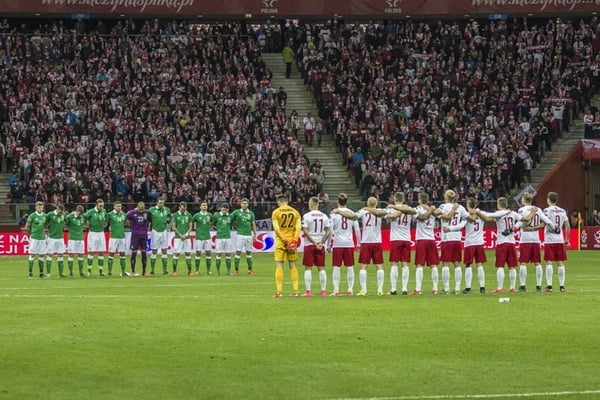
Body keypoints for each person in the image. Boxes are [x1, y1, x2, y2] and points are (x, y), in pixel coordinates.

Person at [476, 197, 537, 293]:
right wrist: (533, 211)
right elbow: (526, 219)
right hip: (512, 242)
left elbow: (487, 218)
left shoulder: (498, 214)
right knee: (512, 266)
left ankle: (500, 288)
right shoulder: (513, 213)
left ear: (499, 204)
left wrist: (478, 212)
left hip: (502, 242)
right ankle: (512, 287)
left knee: (500, 266)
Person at [445, 197, 487, 294]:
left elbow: (460, 226)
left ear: (468, 205)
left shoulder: (467, 215)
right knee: (479, 264)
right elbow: (489, 217)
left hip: (470, 243)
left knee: (468, 265)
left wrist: (450, 229)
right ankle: (482, 287)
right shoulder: (481, 214)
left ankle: (468, 288)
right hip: (480, 242)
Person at [515, 192, 556, 292]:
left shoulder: (522, 210)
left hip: (525, 239)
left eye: (522, 199)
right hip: (536, 239)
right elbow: (546, 220)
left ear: (524, 200)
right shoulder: (538, 210)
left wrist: (515, 227)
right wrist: (553, 226)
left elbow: (520, 222)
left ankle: (523, 285)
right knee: (537, 263)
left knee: (523, 262)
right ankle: (538, 286)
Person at [354, 197, 389, 296]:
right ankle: (380, 290)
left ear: (367, 203)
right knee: (379, 265)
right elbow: (387, 215)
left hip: (366, 241)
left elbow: (354, 216)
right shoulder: (380, 211)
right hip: (377, 241)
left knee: (363, 266)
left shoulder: (363, 211)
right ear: (376, 203)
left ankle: (364, 290)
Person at [329, 193, 361, 296]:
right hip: (349, 243)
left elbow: (330, 230)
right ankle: (350, 289)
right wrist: (359, 243)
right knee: (350, 266)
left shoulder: (334, 214)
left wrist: (329, 244)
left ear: (337, 201)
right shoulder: (352, 213)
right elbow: (357, 229)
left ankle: (336, 290)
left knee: (336, 267)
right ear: (347, 201)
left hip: (338, 243)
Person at [437, 190, 469, 294]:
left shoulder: (443, 206)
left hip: (447, 238)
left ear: (446, 197)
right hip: (457, 238)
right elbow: (467, 218)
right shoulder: (461, 208)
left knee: (445, 263)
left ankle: (446, 288)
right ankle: (457, 288)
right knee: (457, 263)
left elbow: (439, 215)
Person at [385, 192, 417, 295]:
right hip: (407, 239)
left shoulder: (391, 209)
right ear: (403, 199)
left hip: (395, 239)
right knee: (405, 264)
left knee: (394, 263)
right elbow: (414, 217)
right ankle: (404, 289)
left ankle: (393, 289)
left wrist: (393, 208)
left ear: (395, 199)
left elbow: (388, 218)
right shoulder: (408, 208)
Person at [271, 194, 302, 298]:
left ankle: (279, 292)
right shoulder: (295, 212)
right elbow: (298, 228)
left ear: (279, 202)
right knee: (293, 265)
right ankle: (296, 291)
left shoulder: (276, 212)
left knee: (279, 265)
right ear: (287, 201)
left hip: (281, 241)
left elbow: (276, 228)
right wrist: (294, 241)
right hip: (292, 242)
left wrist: (284, 240)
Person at [301, 196, 331, 297]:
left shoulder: (306, 216)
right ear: (318, 204)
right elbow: (328, 231)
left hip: (310, 244)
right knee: (321, 268)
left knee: (308, 268)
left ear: (311, 204)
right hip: (320, 245)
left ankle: (308, 291)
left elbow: (305, 231)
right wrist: (321, 242)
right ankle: (323, 291)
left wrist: (314, 242)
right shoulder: (324, 216)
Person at [412, 192, 440, 295]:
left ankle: (418, 289)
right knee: (433, 265)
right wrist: (431, 209)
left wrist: (429, 209)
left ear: (420, 200)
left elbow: (422, 218)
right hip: (431, 239)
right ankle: (435, 289)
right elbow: (437, 213)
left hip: (422, 239)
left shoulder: (418, 209)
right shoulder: (433, 210)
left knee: (420, 264)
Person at [543, 192, 570, 292]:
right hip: (560, 239)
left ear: (548, 199)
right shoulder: (562, 211)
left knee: (549, 261)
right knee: (560, 262)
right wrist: (567, 239)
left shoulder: (546, 210)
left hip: (549, 239)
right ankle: (562, 286)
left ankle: (549, 286)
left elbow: (544, 222)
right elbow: (567, 225)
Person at [231, 198, 257, 275]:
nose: (244, 205)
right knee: (238, 252)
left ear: (248, 204)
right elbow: (230, 219)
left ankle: (250, 270)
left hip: (249, 235)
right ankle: (236, 270)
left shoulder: (251, 213)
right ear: (240, 204)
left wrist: (255, 234)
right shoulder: (236, 212)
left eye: (245, 203)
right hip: (240, 235)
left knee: (249, 252)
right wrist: (234, 225)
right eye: (243, 203)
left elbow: (253, 224)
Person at [84, 199, 107, 277]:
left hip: (101, 233)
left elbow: (106, 219)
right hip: (93, 233)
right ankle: (89, 272)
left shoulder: (104, 211)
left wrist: (105, 224)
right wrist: (87, 223)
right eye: (100, 206)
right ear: (96, 204)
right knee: (91, 252)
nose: (101, 207)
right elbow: (83, 217)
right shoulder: (91, 212)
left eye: (102, 206)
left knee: (101, 252)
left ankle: (100, 271)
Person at [148, 198, 171, 275]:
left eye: (162, 203)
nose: (161, 204)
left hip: (164, 231)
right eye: (160, 203)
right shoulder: (151, 210)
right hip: (155, 231)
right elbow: (148, 219)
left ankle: (165, 270)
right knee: (154, 251)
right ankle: (152, 270)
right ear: (157, 203)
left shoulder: (167, 209)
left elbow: (169, 218)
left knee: (164, 250)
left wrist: (168, 221)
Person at [25, 201, 48, 279]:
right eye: (38, 207)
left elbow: (48, 224)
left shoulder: (45, 216)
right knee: (32, 254)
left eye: (41, 207)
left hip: (42, 238)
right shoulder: (32, 216)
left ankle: (41, 273)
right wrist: (31, 234)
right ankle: (30, 273)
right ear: (35, 207)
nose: (40, 208)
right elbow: (27, 226)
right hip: (34, 238)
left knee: (41, 255)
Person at [127, 201, 150, 277]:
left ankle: (144, 271)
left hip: (144, 235)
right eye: (140, 208)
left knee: (144, 253)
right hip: (135, 235)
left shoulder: (146, 213)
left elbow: (148, 220)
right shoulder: (133, 213)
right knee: (134, 253)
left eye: (142, 208)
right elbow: (128, 215)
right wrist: (135, 210)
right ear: (137, 207)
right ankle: (133, 271)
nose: (141, 210)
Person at [171, 201, 193, 276]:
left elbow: (190, 227)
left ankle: (190, 271)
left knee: (188, 253)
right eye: (182, 208)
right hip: (178, 238)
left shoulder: (189, 215)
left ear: (186, 207)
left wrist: (186, 234)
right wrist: (180, 235)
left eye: (184, 208)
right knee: (176, 253)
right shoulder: (175, 215)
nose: (183, 210)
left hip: (187, 238)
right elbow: (173, 227)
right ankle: (174, 271)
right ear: (179, 207)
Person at [192, 200, 214, 275]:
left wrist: (209, 226)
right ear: (200, 207)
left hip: (207, 236)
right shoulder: (196, 215)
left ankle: (208, 270)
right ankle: (197, 270)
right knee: (198, 253)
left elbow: (212, 222)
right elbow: (192, 222)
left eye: (206, 205)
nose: (205, 206)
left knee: (208, 253)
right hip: (199, 236)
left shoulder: (210, 215)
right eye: (203, 205)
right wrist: (195, 228)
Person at [107, 201, 128, 277]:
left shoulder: (124, 215)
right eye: (118, 206)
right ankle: (109, 272)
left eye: (120, 206)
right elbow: (105, 222)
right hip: (113, 237)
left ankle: (123, 271)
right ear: (114, 207)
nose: (119, 207)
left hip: (122, 237)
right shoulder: (109, 214)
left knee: (122, 254)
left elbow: (126, 223)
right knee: (111, 254)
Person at [45, 204, 66, 278]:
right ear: (58, 209)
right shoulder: (50, 214)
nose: (61, 213)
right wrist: (46, 227)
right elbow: (44, 221)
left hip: (60, 238)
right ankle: (48, 273)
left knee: (61, 255)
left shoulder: (63, 215)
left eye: (62, 212)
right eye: (61, 211)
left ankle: (61, 273)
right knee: (50, 254)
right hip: (52, 238)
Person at [65, 205, 86, 277]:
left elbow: (85, 222)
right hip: (72, 239)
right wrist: (70, 214)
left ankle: (81, 272)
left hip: (80, 238)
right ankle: (70, 272)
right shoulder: (70, 217)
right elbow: (66, 223)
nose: (81, 214)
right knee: (71, 255)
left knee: (81, 255)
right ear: (77, 211)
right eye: (80, 213)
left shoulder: (83, 217)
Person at [214, 203, 233, 276]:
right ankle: (217, 271)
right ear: (221, 209)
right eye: (223, 209)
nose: (224, 211)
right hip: (219, 237)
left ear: (228, 210)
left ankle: (228, 271)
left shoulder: (230, 216)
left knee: (228, 254)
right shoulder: (217, 216)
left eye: (226, 209)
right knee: (218, 254)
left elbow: (232, 224)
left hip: (228, 237)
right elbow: (213, 223)